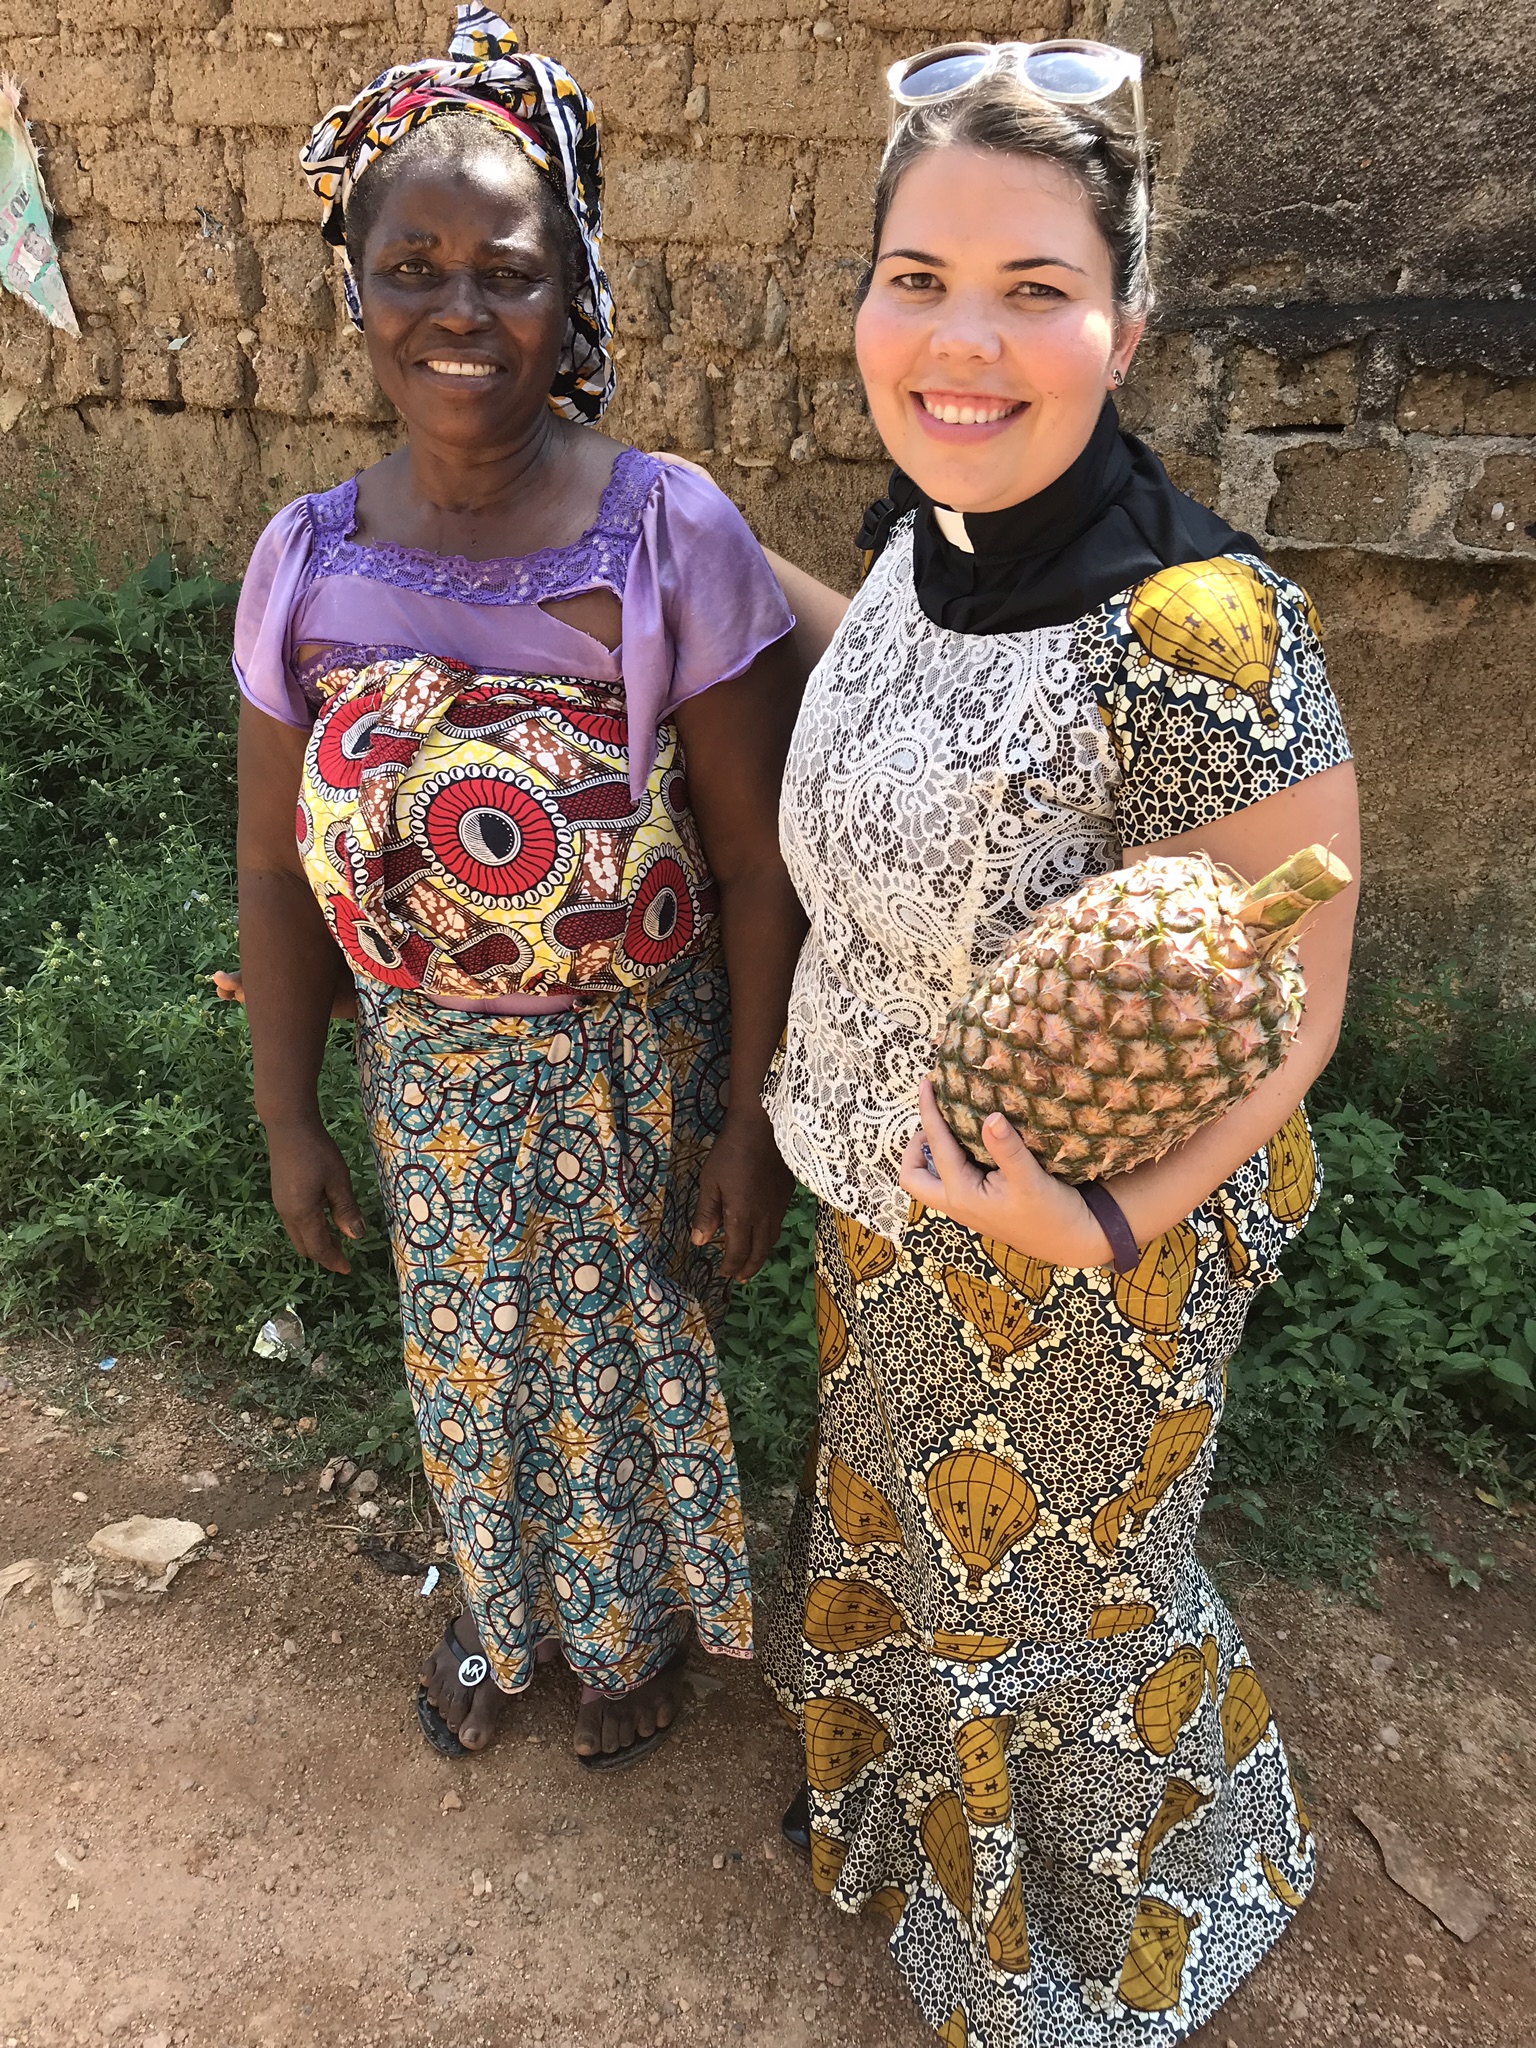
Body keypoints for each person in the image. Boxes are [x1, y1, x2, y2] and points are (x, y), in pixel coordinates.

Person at [758, 41, 1359, 2046]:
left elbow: (1309, 989)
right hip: (878, 1205)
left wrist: (1111, 1226)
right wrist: (714, 565)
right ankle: (915, 1833)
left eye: (1033, 289)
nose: (963, 337)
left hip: (1078, 1275)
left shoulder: (1202, 630)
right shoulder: (931, 540)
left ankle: (1098, 1942)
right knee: (923, 1564)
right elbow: (943, 723)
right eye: (920, 275)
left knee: (1051, 1626)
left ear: (1130, 317)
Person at [233, 5, 805, 1768]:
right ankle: (501, 1616)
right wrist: (290, 1118)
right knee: (468, 1375)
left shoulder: (665, 534)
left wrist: (748, 1121)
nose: (459, 314)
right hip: (434, 1071)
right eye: (413, 267)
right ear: (354, 291)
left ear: (576, 298)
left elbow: (752, 861)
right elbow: (272, 863)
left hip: (638, 1063)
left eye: (509, 270)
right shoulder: (306, 560)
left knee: (629, 1364)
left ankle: (629, 1649)